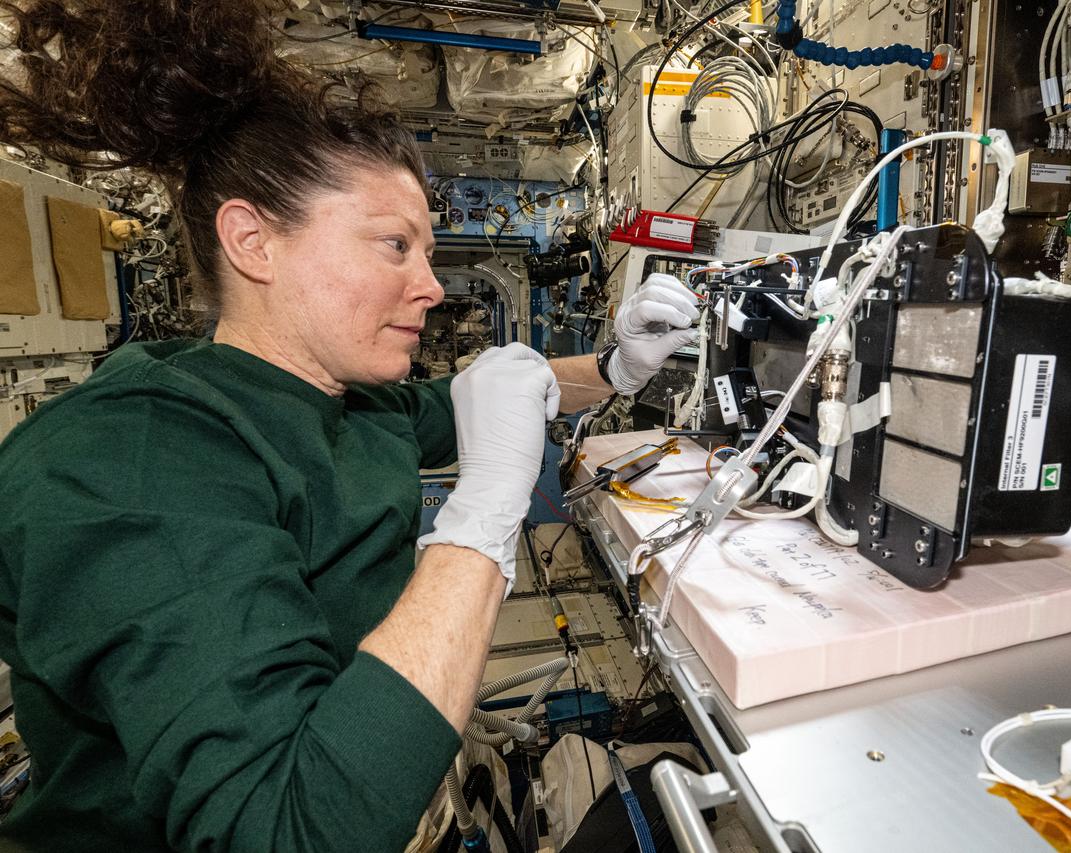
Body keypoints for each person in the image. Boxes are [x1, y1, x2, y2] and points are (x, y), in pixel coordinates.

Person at [0, 2, 699, 850]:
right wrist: (481, 522)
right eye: (394, 245)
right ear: (255, 243)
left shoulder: (342, 399)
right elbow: (289, 828)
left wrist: (617, 368)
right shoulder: (132, 461)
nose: (434, 285)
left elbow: (480, 401)